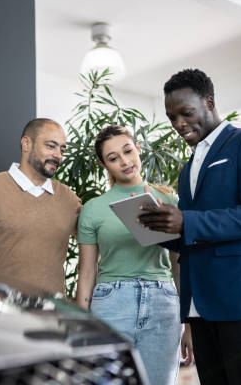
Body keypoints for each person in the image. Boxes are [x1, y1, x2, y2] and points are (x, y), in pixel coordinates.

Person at [139, 69, 241, 385]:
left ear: (209, 102)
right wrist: (158, 230)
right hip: (200, 304)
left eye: (186, 113)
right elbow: (192, 236)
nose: (179, 124)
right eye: (172, 117)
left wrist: (187, 221)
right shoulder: (186, 169)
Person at [76, 125, 193, 385]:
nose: (125, 161)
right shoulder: (93, 209)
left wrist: (189, 324)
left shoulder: (168, 199)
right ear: (104, 165)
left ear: (138, 149)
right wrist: (81, 324)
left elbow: (180, 265)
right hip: (111, 303)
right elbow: (87, 272)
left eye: (128, 151)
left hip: (164, 303)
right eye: (113, 158)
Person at [0, 118, 81, 294]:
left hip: (50, 315)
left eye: (62, 149)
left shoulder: (68, 198)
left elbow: (101, 241)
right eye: (51, 146)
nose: (58, 155)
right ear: (26, 144)